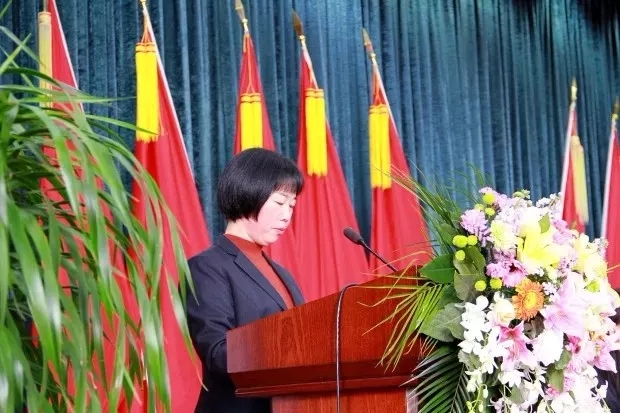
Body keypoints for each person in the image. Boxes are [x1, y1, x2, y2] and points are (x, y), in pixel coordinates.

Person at [185, 148, 305, 413]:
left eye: (292, 205)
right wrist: (287, 352)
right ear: (249, 192)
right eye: (280, 202)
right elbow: (218, 352)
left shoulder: (283, 274)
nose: (287, 215)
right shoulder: (207, 267)